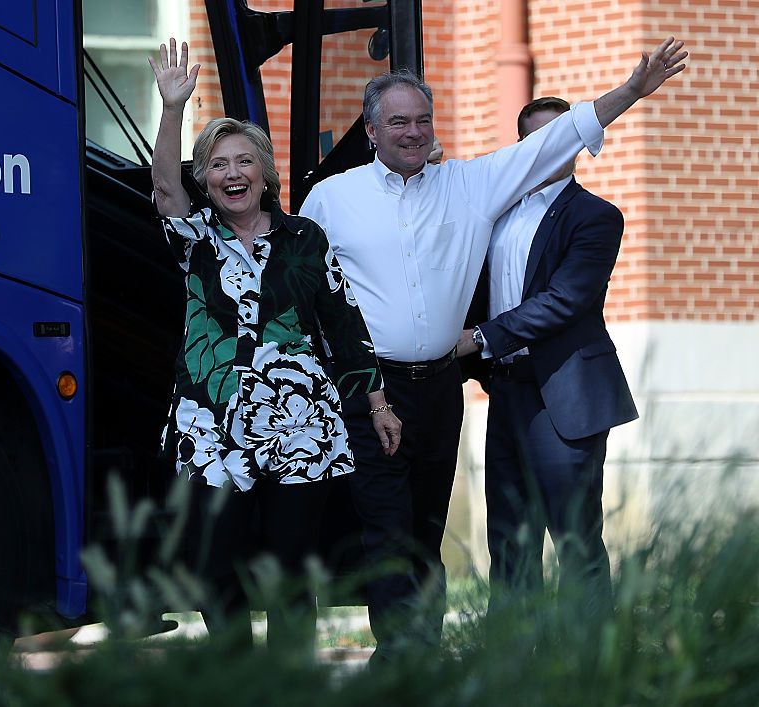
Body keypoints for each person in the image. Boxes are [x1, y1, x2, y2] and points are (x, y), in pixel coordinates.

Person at [300, 37, 686, 663]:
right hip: (371, 390)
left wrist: (631, 92)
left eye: (424, 119)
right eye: (398, 121)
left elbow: (556, 144)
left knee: (430, 527)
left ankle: (462, 656)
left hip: (444, 391)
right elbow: (312, 291)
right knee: (388, 528)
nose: (414, 131)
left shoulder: (472, 185)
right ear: (370, 130)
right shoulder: (331, 198)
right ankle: (403, 657)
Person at [148, 38, 402, 652]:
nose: (232, 173)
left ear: (265, 172)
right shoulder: (196, 240)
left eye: (244, 161)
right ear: (205, 179)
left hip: (298, 420)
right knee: (215, 567)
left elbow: (343, 322)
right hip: (212, 422)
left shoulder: (304, 239)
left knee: (292, 572)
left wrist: (376, 402)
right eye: (218, 164)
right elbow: (161, 190)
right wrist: (174, 109)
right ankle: (239, 678)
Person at [456, 97, 638, 615]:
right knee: (509, 541)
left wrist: (482, 337)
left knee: (575, 539)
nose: (550, 149)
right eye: (538, 140)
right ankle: (511, 668)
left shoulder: (596, 216)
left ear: (578, 143)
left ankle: (590, 667)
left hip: (564, 393)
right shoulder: (493, 213)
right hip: (506, 389)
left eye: (561, 136)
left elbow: (566, 299)